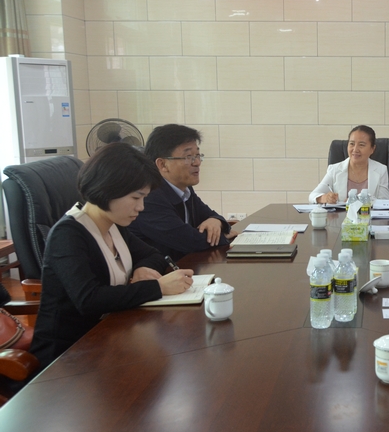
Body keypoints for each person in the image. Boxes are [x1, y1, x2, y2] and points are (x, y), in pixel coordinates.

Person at [29, 143, 195, 370]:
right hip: (68, 357)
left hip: (111, 337)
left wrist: (141, 269)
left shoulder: (114, 225)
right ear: (108, 189)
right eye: (136, 198)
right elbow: (89, 300)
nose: (141, 207)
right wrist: (158, 287)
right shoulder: (67, 234)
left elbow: (154, 255)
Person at [128, 124, 236, 260]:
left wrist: (216, 221)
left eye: (198, 155)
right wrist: (223, 236)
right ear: (162, 164)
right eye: (188, 157)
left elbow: (210, 215)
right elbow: (190, 241)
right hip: (158, 270)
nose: (197, 163)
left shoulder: (184, 188)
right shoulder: (149, 197)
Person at [309, 125, 389, 204]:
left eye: (361, 145)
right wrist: (325, 198)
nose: (355, 149)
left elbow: (385, 202)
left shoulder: (381, 170)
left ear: (372, 149)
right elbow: (312, 195)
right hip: (342, 214)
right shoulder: (334, 169)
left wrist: (357, 201)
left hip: (368, 213)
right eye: (352, 144)